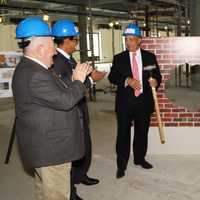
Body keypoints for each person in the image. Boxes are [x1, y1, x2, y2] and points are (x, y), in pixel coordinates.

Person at [12, 17, 92, 200]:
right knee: (56, 195)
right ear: (39, 48)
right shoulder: (34, 75)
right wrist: (78, 81)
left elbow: (54, 97)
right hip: (51, 152)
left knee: (45, 192)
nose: (55, 53)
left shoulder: (32, 69)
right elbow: (65, 101)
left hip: (43, 148)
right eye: (51, 47)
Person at [51, 19, 106, 200]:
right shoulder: (57, 62)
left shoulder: (68, 58)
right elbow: (68, 88)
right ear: (67, 40)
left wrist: (88, 75)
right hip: (71, 114)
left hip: (79, 111)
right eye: (75, 40)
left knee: (84, 146)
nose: (76, 44)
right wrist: (91, 80)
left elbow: (76, 79)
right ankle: (70, 191)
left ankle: (80, 175)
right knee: (71, 152)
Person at [108, 23, 162, 179]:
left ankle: (140, 159)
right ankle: (122, 164)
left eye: (132, 39)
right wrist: (127, 80)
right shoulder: (119, 58)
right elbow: (112, 77)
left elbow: (156, 76)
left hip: (143, 102)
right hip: (125, 103)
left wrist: (155, 82)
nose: (128, 43)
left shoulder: (149, 57)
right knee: (123, 134)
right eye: (126, 39)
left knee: (141, 132)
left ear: (139, 40)